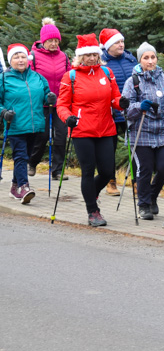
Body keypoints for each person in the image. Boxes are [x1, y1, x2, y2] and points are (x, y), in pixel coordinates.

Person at [56, 34, 128, 227]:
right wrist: (68, 118)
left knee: (107, 171)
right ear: (80, 56)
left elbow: (114, 99)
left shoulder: (106, 73)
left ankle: (91, 193)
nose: (91, 58)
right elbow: (61, 105)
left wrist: (121, 103)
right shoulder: (70, 77)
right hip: (82, 130)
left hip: (106, 128)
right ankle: (92, 211)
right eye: (87, 55)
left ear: (98, 55)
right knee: (88, 170)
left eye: (94, 54)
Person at [121, 42, 164, 221]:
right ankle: (144, 204)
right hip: (142, 130)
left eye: (153, 57)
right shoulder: (133, 81)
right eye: (146, 58)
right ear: (140, 60)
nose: (150, 61)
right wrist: (139, 106)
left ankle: (152, 195)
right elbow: (125, 109)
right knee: (144, 169)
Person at [0, 43, 54, 203]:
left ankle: (14, 187)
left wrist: (50, 97)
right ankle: (24, 187)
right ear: (11, 60)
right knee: (21, 156)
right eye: (16, 57)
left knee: (26, 156)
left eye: (23, 56)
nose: (20, 60)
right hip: (15, 125)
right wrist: (3, 112)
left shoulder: (37, 77)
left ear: (28, 59)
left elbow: (46, 94)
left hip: (35, 124)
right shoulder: (3, 79)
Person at [28, 17, 72, 181]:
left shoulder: (63, 57)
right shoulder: (33, 56)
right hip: (42, 104)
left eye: (56, 40)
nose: (54, 44)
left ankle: (57, 170)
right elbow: (30, 79)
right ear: (43, 41)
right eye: (50, 41)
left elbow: (69, 76)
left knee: (61, 136)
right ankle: (32, 162)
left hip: (61, 103)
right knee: (43, 136)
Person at [100, 28, 138, 196]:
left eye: (122, 41)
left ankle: (137, 182)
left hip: (131, 110)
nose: (121, 45)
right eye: (116, 42)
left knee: (136, 146)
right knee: (110, 147)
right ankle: (110, 181)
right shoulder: (101, 62)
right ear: (108, 46)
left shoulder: (131, 60)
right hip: (110, 111)